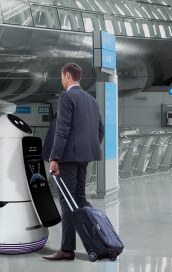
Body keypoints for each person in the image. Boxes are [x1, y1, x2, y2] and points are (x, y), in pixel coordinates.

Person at [42, 63, 104, 261]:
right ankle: (100, 239)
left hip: (67, 160)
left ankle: (67, 249)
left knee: (67, 202)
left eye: (62, 76)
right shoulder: (91, 100)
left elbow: (63, 129)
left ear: (68, 76)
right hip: (85, 158)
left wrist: (54, 158)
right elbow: (100, 131)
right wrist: (85, 150)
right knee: (79, 199)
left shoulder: (67, 97)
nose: (62, 80)